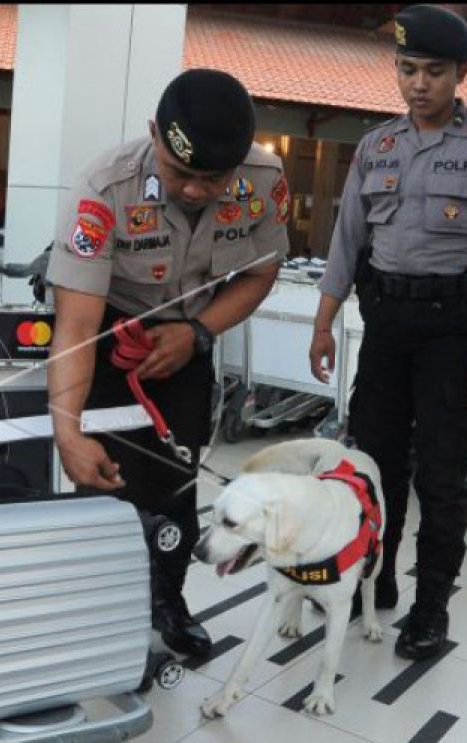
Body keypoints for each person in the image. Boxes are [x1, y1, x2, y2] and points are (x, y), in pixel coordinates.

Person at [308, 4, 467, 660]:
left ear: (461, 73)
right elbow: (347, 241)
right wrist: (324, 323)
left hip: (451, 331)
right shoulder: (376, 146)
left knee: (439, 473)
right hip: (383, 327)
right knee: (372, 467)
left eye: (433, 72)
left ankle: (430, 605)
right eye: (407, 69)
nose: (418, 84)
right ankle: (375, 582)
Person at [45, 69, 291, 658]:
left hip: (188, 336)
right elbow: (75, 324)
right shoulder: (104, 191)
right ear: (155, 133)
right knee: (106, 479)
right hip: (104, 333)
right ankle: (95, 610)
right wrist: (67, 430)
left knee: (177, 479)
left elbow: (261, 274)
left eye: (214, 179)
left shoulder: (262, 180)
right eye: (182, 173)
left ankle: (167, 601)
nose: (198, 191)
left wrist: (198, 333)